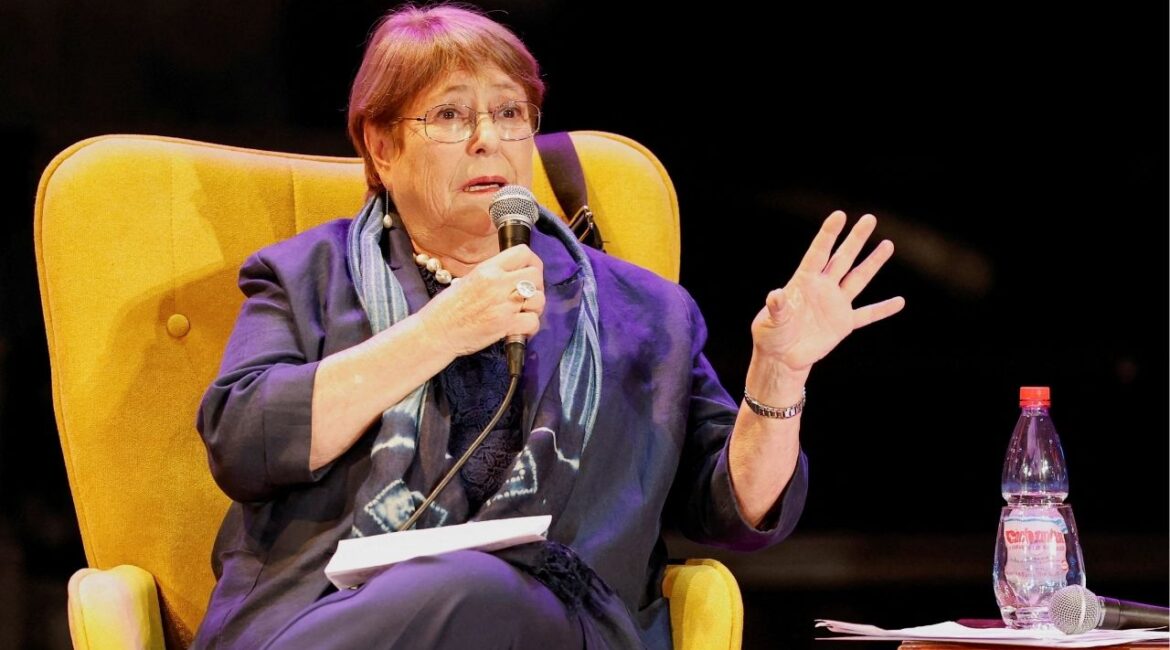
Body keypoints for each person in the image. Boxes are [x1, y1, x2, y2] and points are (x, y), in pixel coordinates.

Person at [192, 4, 905, 649]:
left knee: (481, 588)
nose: (486, 140)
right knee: (461, 590)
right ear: (380, 146)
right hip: (334, 610)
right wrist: (440, 330)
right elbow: (246, 441)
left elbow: (732, 507)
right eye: (447, 116)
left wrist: (779, 377)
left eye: (510, 114)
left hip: (559, 622)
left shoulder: (645, 312)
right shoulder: (304, 277)